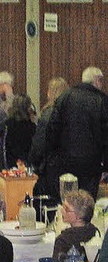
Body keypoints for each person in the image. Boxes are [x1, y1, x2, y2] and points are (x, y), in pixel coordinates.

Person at [46, 66, 108, 200]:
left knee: (68, 201)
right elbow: (106, 137)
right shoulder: (102, 100)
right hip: (91, 164)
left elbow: (52, 129)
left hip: (65, 162)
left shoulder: (64, 97)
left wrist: (53, 157)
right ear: (97, 81)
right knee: (87, 202)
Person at [29, 76, 69, 195]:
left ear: (50, 92)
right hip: (68, 164)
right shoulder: (71, 112)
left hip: (50, 166)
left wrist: (32, 161)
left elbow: (39, 144)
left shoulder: (48, 114)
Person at [0, 92, 36, 171]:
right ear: (28, 108)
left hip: (7, 169)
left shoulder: (5, 125)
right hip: (26, 169)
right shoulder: (33, 127)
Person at [52, 187, 99, 261]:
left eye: (66, 209)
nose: (62, 210)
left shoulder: (63, 241)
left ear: (79, 216)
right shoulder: (95, 233)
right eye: (63, 206)